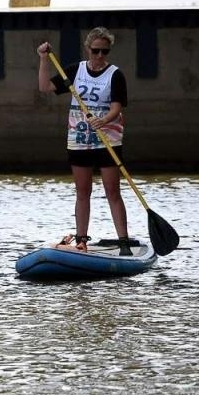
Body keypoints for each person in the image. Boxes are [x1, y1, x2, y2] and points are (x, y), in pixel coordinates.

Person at [38, 27, 132, 253]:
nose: (100, 56)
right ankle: (81, 239)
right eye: (96, 51)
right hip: (79, 139)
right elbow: (45, 87)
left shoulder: (115, 74)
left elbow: (117, 106)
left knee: (112, 191)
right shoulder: (75, 70)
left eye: (105, 52)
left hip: (107, 139)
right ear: (88, 49)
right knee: (83, 191)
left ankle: (124, 241)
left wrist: (104, 120)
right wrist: (43, 59)